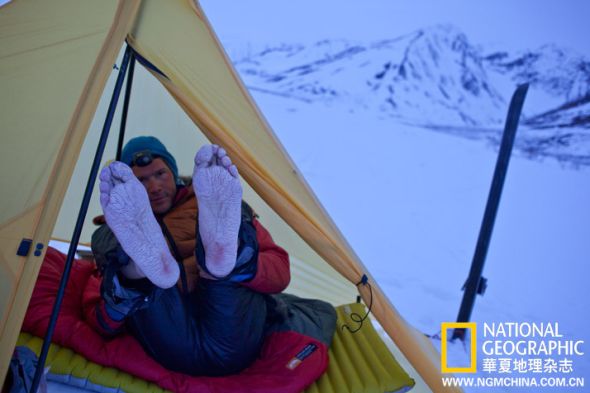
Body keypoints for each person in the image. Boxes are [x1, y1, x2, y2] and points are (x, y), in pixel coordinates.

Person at [88, 136, 332, 377]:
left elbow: (280, 272)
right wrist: (122, 299)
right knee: (130, 269)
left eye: (160, 174)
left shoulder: (211, 199)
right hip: (173, 334)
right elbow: (100, 320)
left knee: (223, 264)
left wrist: (235, 268)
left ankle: (223, 258)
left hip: (229, 327)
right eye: (141, 180)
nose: (154, 187)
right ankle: (142, 271)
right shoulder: (114, 232)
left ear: (173, 172)